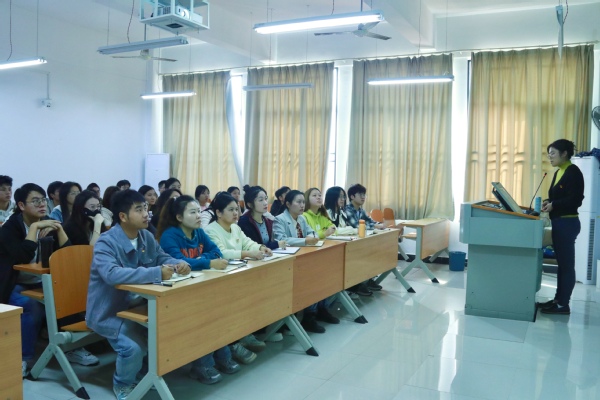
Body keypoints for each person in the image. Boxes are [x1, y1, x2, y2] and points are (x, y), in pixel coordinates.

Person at [86, 190, 194, 399]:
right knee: (133, 348)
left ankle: (144, 375)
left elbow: (162, 257)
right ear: (123, 216)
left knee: (166, 333)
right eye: (139, 209)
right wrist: (156, 273)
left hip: (139, 307)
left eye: (146, 208)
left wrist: (179, 263)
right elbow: (112, 274)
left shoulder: (145, 236)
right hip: (109, 312)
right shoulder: (106, 242)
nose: (146, 214)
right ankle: (123, 385)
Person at [0, 184, 97, 376]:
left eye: (43, 200)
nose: (42, 204)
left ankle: (71, 347)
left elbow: (68, 255)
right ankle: (23, 358)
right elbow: (21, 257)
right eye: (35, 201)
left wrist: (59, 230)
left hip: (41, 280)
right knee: (30, 306)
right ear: (21, 205)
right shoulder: (10, 229)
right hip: (14, 283)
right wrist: (34, 228)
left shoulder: (49, 222)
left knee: (68, 295)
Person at [155, 195, 239, 384]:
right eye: (193, 212)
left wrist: (201, 260)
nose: (198, 216)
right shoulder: (169, 236)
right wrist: (207, 262)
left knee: (219, 311)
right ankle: (202, 365)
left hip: (199, 286)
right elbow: (178, 262)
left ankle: (222, 355)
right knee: (203, 317)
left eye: (199, 212)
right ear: (179, 217)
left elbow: (216, 251)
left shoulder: (198, 232)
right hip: (175, 293)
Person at [204, 192, 271, 358]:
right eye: (231, 210)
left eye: (237, 209)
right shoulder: (210, 230)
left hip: (239, 274)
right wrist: (247, 253)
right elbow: (221, 253)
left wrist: (261, 248)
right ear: (218, 212)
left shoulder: (235, 227)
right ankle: (233, 342)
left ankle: (244, 333)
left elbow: (248, 242)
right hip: (220, 279)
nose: (236, 213)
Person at [273, 190, 337, 333]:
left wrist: (311, 237)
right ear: (288, 204)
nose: (302, 205)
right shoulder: (279, 219)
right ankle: (309, 316)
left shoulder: (301, 219)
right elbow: (281, 240)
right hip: (288, 261)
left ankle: (322, 309)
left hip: (304, 257)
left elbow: (311, 232)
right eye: (298, 202)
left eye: (303, 202)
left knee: (324, 273)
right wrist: (305, 240)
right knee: (311, 279)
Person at [538, 139, 584, 315]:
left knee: (566, 266)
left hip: (567, 223)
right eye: (548, 154)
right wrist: (549, 202)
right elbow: (559, 197)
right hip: (559, 222)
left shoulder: (573, 172)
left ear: (564, 153)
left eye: (553, 153)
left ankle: (563, 305)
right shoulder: (559, 172)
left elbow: (575, 200)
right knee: (562, 266)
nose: (550, 157)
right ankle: (558, 300)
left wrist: (554, 205)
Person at [237, 185, 285, 250]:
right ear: (250, 204)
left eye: (266, 199)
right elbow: (252, 247)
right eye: (261, 200)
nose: (265, 203)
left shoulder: (267, 221)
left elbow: (267, 243)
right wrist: (276, 244)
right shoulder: (244, 222)